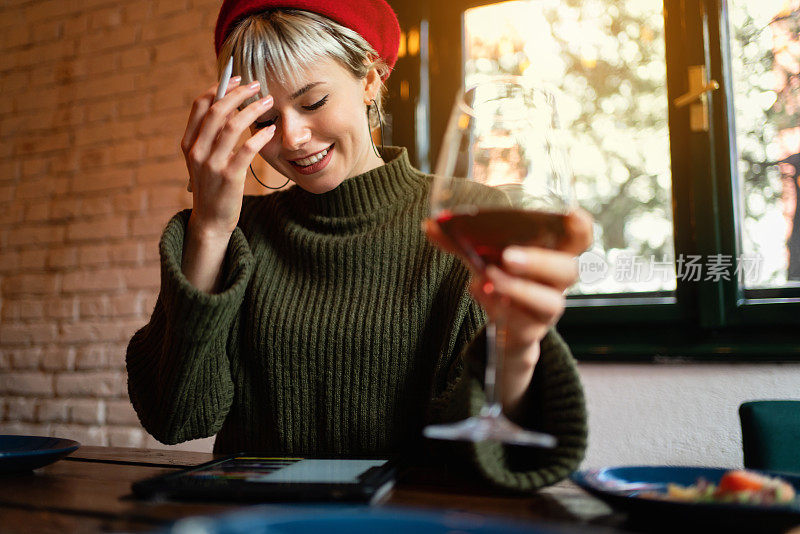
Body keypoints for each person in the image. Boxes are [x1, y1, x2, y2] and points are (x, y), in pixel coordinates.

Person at [126, 0, 593, 492]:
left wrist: (516, 347)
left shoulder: (464, 222)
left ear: (370, 78)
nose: (293, 138)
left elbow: (490, 457)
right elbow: (174, 418)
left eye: (312, 103)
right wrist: (210, 226)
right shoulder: (238, 235)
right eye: (264, 117)